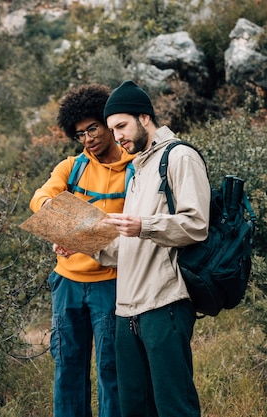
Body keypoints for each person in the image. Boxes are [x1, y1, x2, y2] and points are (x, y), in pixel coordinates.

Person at [98, 80, 211, 417]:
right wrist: (83, 246)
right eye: (112, 129)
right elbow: (130, 245)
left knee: (174, 407)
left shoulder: (179, 156)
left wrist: (144, 225)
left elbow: (197, 224)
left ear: (144, 118)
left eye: (121, 126)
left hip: (165, 305)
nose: (116, 136)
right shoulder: (137, 169)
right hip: (126, 311)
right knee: (134, 408)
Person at [29, 83, 135, 417]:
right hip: (67, 286)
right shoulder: (71, 167)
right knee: (68, 369)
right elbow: (40, 200)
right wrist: (69, 228)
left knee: (111, 369)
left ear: (108, 123)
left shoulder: (135, 169)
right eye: (80, 133)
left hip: (112, 283)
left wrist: (76, 233)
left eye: (92, 128)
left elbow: (135, 223)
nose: (88, 138)